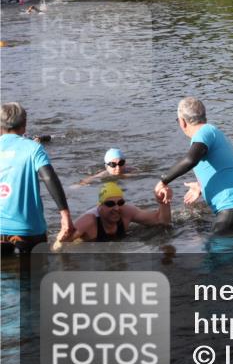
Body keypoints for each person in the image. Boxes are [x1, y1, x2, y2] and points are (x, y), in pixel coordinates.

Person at [154, 97, 233, 234]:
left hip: (231, 207)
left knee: (215, 253)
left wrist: (163, 180)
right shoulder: (216, 133)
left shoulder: (203, 133)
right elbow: (232, 169)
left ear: (182, 122)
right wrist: (200, 186)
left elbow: (190, 160)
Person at [0, 103, 74, 254]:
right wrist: (65, 214)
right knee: (34, 274)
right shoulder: (33, 148)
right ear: (24, 125)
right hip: (29, 231)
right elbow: (49, 177)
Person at [72, 181, 171, 242]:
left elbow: (162, 221)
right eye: (110, 204)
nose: (116, 208)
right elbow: (60, 244)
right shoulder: (88, 221)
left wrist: (163, 201)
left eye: (120, 202)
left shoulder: (127, 211)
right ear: (100, 206)